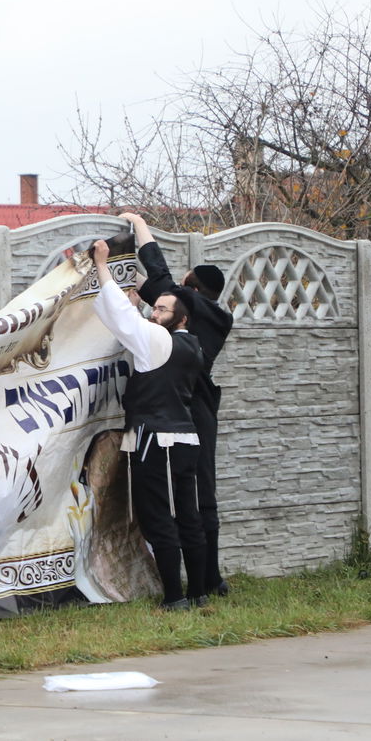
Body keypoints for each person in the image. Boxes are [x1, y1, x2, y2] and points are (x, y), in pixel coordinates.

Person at [91, 237, 207, 610]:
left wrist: (103, 266)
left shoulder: (157, 340)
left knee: (158, 516)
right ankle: (199, 592)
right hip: (186, 438)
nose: (154, 314)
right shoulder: (193, 345)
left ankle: (174, 596)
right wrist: (138, 308)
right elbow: (135, 326)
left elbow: (125, 322)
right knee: (188, 514)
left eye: (161, 309)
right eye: (154, 308)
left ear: (181, 318)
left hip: (158, 439)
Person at [123, 213, 235, 597]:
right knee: (200, 494)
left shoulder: (196, 308)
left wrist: (138, 224)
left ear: (191, 289)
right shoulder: (213, 316)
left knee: (193, 499)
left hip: (188, 411)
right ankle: (209, 581)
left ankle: (205, 581)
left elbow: (159, 277)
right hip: (198, 410)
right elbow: (155, 289)